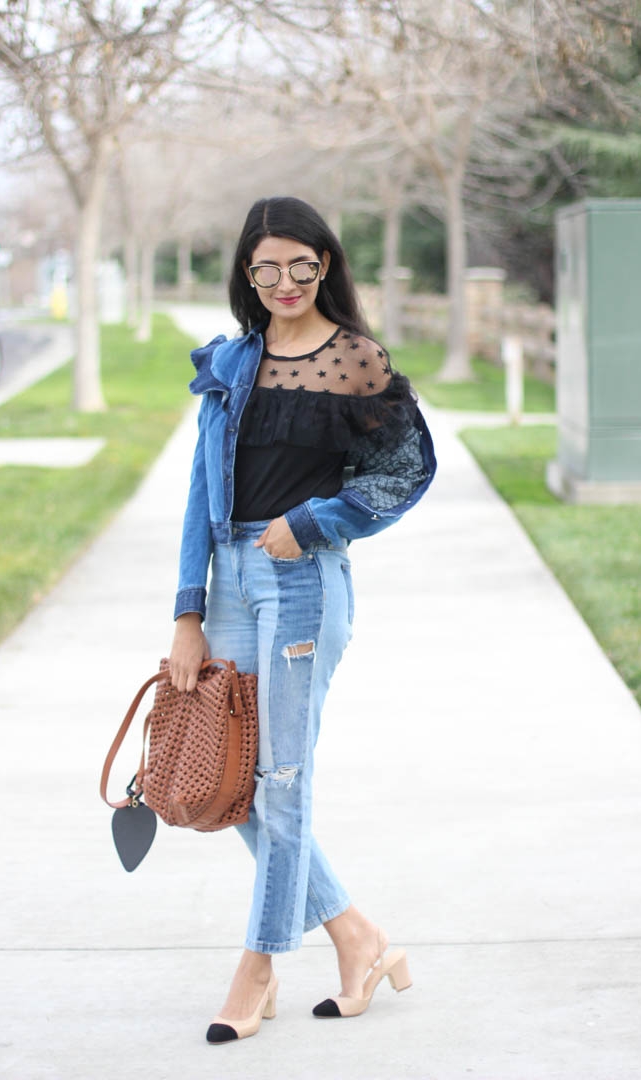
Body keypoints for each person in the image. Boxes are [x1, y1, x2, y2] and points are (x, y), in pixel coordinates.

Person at [169, 195, 436, 1044]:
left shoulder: (357, 360)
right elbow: (198, 493)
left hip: (302, 582)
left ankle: (258, 967)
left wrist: (313, 523)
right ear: (247, 274)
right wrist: (186, 611)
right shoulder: (234, 362)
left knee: (281, 783)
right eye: (265, 267)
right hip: (231, 581)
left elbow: (403, 472)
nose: (284, 281)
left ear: (325, 263)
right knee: (237, 779)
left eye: (301, 264)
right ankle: (358, 937)